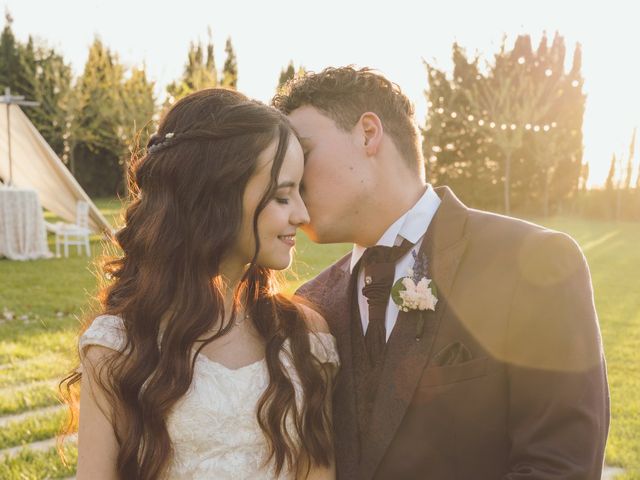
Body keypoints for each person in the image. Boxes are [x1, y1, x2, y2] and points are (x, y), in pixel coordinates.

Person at [273, 66, 609, 480]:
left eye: (301, 154)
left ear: (368, 134)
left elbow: (561, 465)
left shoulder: (533, 262)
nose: (288, 180)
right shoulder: (311, 304)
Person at [60, 88, 338, 480]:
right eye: (281, 197)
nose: (302, 214)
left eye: (301, 193)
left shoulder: (305, 338)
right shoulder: (117, 348)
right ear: (213, 200)